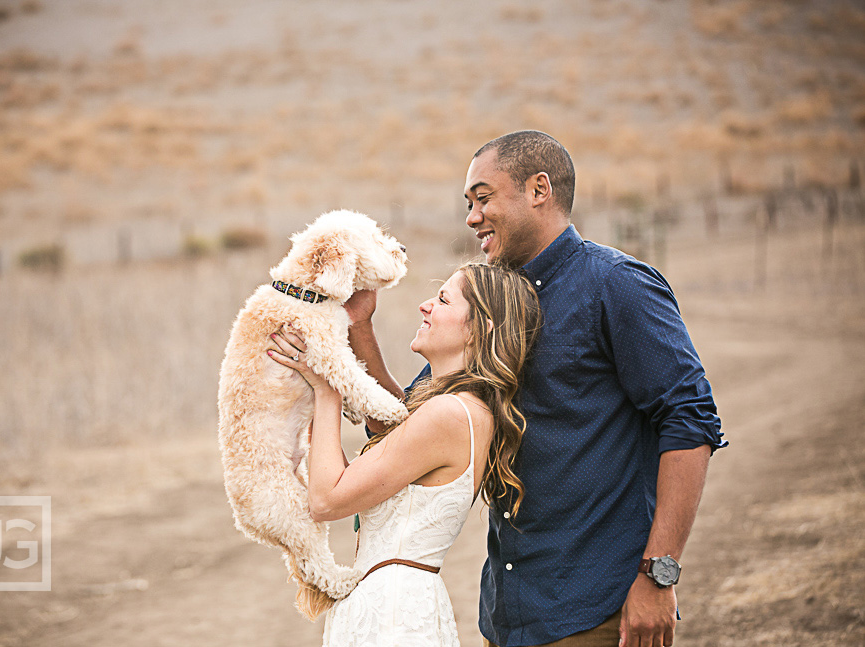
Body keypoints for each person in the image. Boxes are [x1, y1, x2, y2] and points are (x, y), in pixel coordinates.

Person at [345, 131, 727, 647]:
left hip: (594, 611)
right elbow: (404, 426)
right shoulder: (488, 301)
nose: (472, 217)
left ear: (539, 189)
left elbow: (690, 419)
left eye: (483, 198)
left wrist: (658, 575)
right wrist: (359, 329)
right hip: (505, 615)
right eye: (469, 203)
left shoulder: (616, 284)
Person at [268, 262, 542, 647]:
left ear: (480, 328)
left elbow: (326, 499)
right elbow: (376, 441)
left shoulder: (449, 414)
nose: (425, 305)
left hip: (393, 617)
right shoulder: (459, 408)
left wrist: (327, 387)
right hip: (387, 604)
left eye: (444, 300)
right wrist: (352, 330)